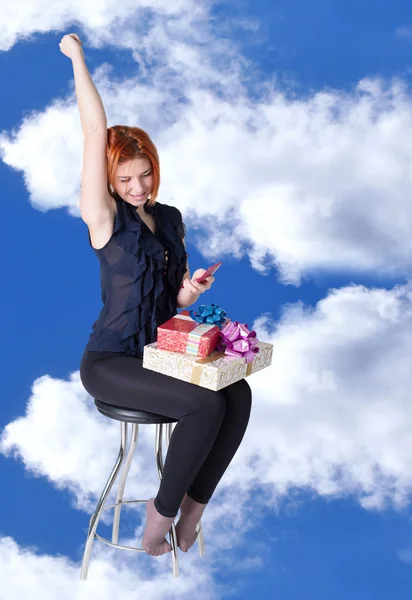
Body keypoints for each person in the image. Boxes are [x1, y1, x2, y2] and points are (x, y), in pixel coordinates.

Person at [59, 33, 252, 557]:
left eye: (145, 175)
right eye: (125, 178)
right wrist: (77, 58)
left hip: (160, 354)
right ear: (109, 179)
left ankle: (192, 509)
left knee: (238, 394)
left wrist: (189, 289)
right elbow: (93, 130)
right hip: (112, 360)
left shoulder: (168, 220)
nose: (139, 187)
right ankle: (159, 511)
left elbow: (175, 305)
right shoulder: (104, 218)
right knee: (203, 406)